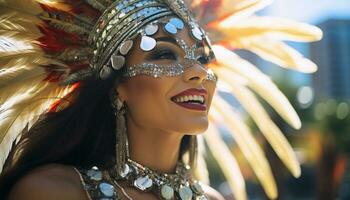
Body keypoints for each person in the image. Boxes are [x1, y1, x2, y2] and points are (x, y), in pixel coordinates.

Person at [0, 0, 322, 199]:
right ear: (117, 87)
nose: (198, 71)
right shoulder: (50, 192)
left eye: (201, 57)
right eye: (165, 54)